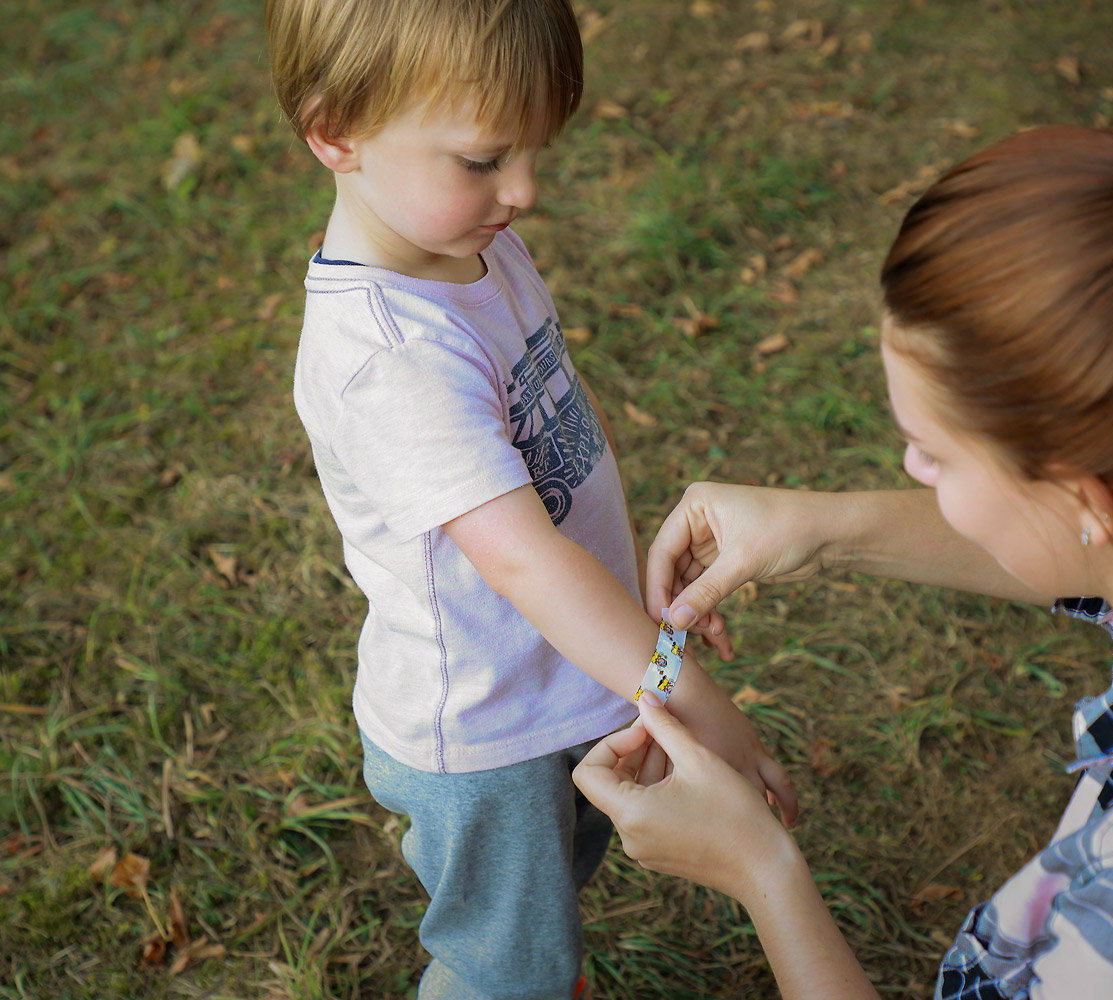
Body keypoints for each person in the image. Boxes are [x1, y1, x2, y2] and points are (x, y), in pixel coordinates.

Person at [575, 125, 1113, 998]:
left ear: (1090, 495)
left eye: (932, 453)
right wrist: (825, 528)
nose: (911, 470)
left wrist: (761, 870)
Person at [264, 1, 797, 996]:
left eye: (536, 150)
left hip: (561, 671)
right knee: (506, 964)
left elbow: (552, 413)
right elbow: (520, 558)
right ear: (336, 131)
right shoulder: (392, 358)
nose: (525, 190)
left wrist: (628, 601)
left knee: (556, 895)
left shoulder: (466, 244)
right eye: (483, 158)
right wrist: (693, 698)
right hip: (483, 731)